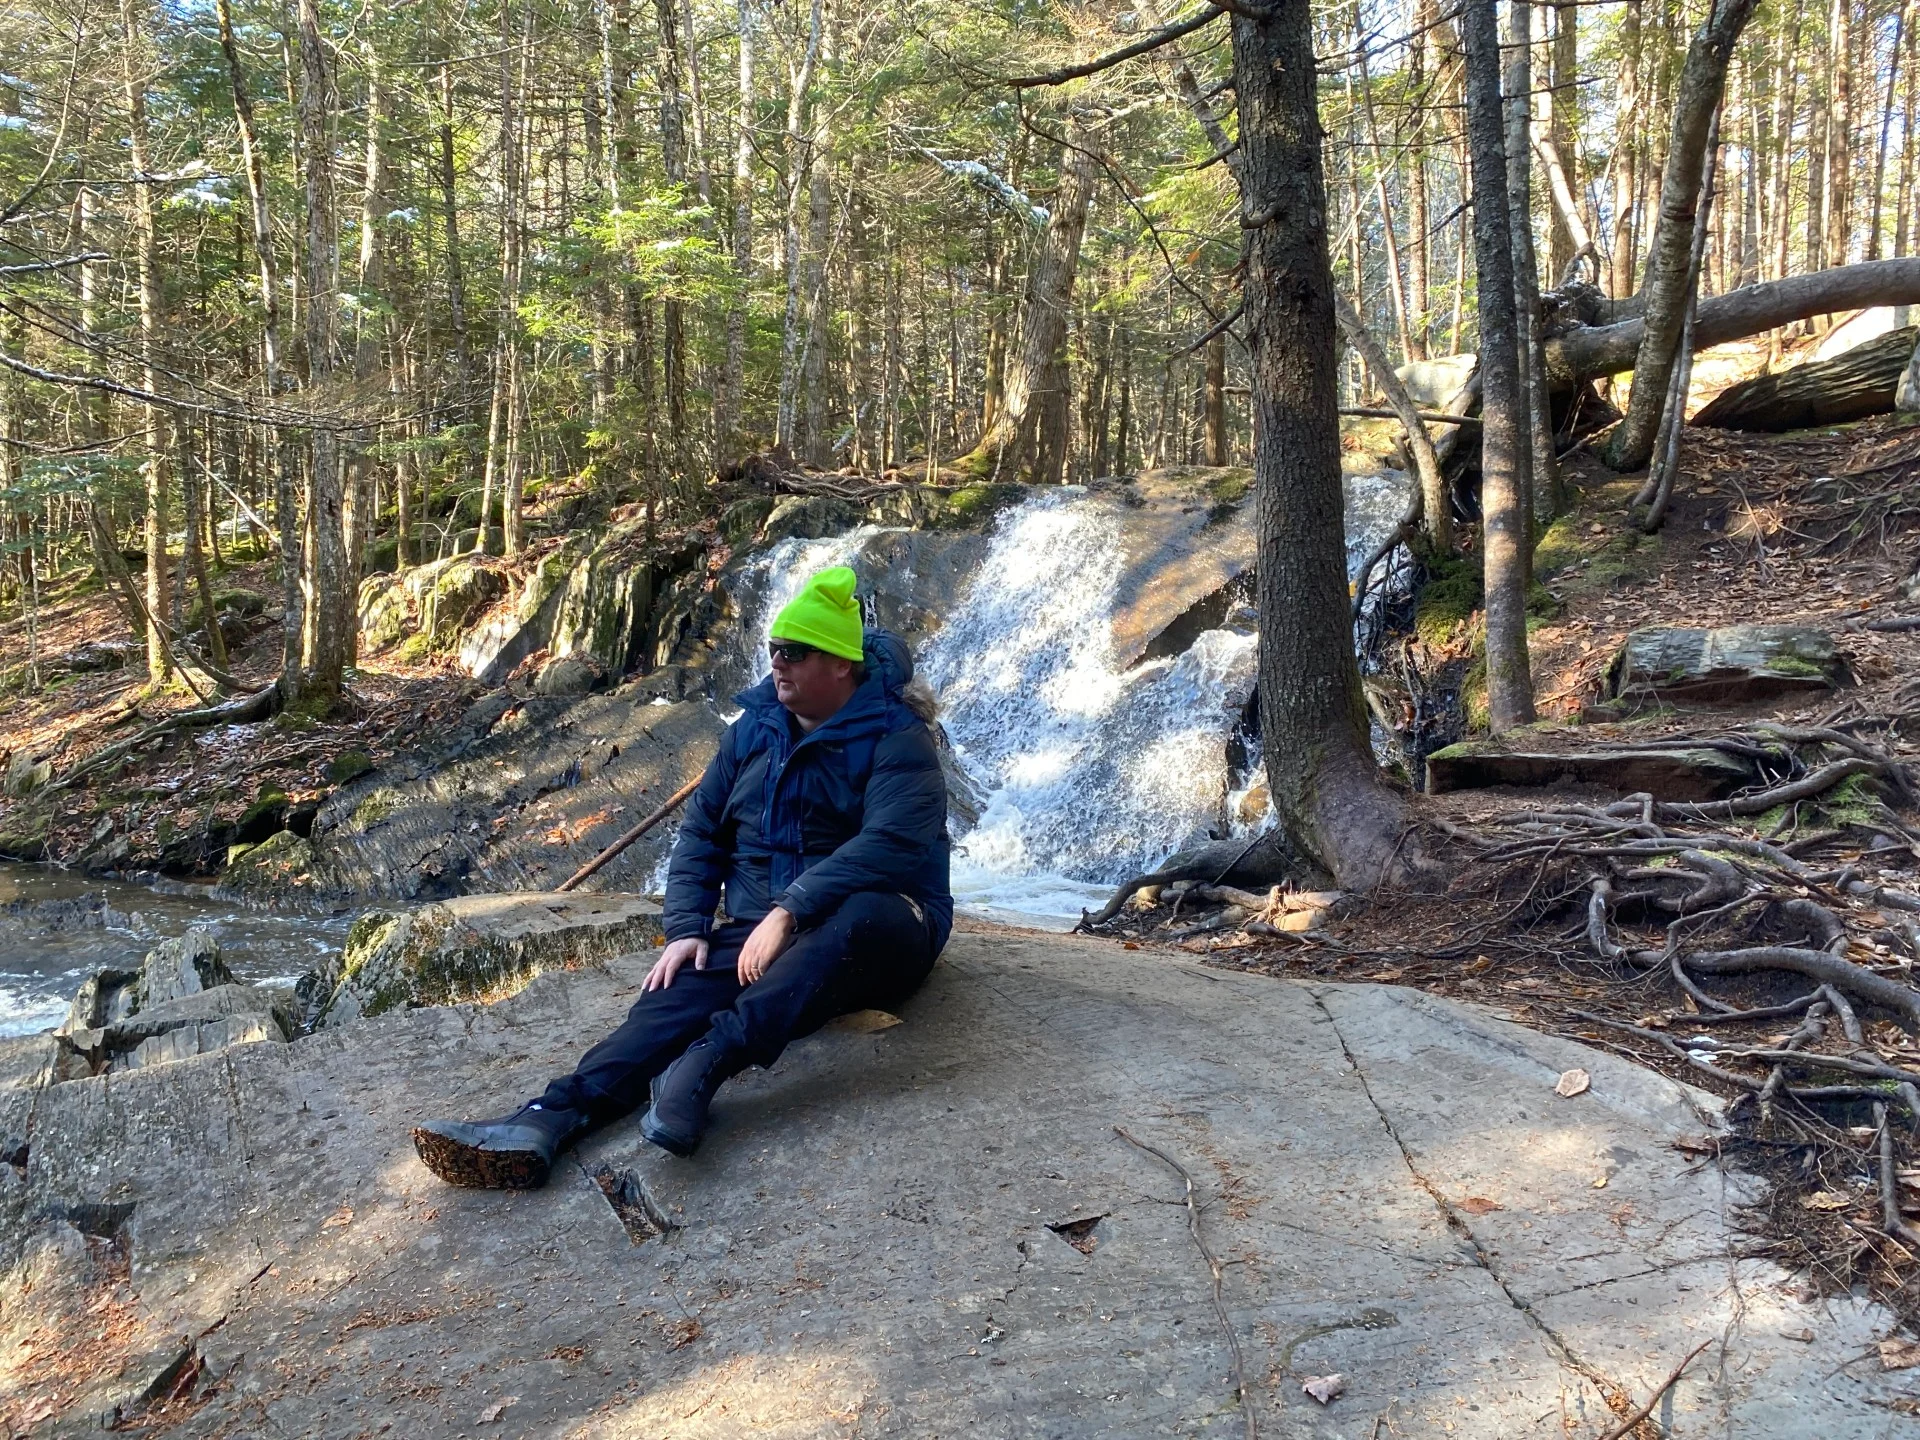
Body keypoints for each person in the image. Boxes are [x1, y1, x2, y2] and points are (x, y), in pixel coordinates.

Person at [411, 566, 952, 1188]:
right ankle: (548, 1116)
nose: (778, 664)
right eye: (774, 649)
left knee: (861, 919)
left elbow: (891, 843)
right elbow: (702, 834)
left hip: (883, 924)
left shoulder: (898, 736)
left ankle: (707, 1062)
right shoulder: (753, 733)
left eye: (796, 653)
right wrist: (687, 926)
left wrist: (788, 910)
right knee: (676, 991)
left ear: (841, 664)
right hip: (764, 929)